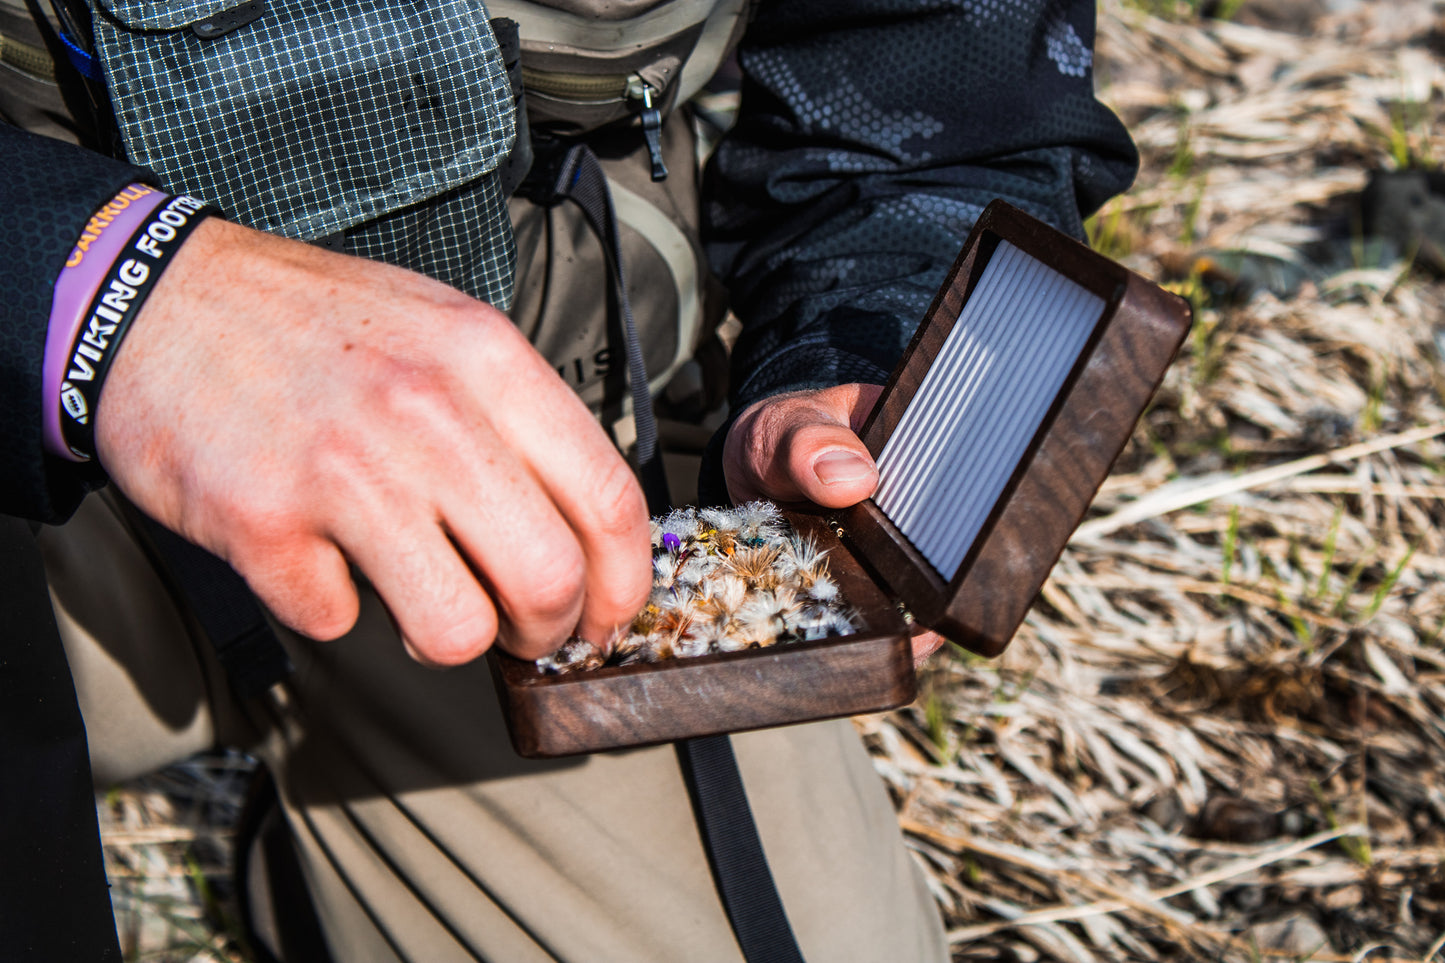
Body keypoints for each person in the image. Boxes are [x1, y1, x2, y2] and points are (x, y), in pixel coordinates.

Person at [0, 0, 1138, 959]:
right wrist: (94, 291)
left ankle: (345, 846)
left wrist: (864, 351)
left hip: (540, 446)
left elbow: (934, 61)